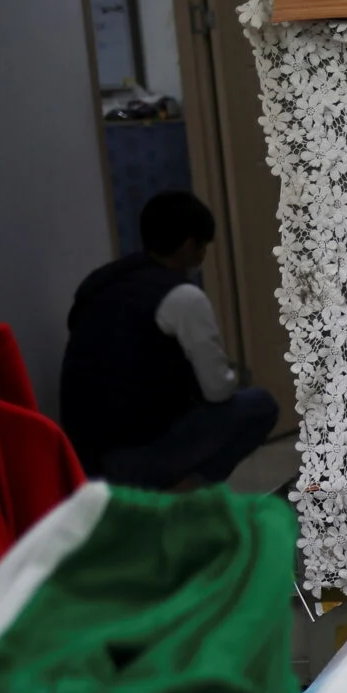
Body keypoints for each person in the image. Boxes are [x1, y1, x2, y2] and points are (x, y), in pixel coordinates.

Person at [59, 191, 279, 490]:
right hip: (134, 457)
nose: (203, 255)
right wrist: (233, 376)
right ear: (189, 245)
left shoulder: (99, 283)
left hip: (80, 458)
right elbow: (217, 391)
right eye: (203, 246)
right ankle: (181, 495)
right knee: (260, 405)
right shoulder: (182, 296)